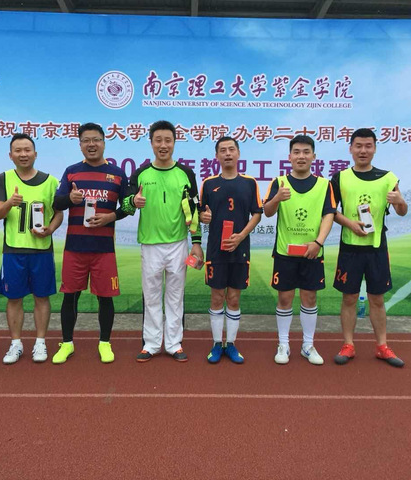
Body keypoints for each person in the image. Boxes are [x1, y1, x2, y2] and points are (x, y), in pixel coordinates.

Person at [125, 120, 203, 363]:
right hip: (150, 245)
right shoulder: (140, 174)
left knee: (175, 296)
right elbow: (125, 205)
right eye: (158, 140)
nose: (163, 145)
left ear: (174, 143)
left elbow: (194, 210)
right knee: (151, 296)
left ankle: (174, 344)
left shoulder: (186, 173)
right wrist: (133, 202)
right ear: (151, 143)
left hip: (178, 244)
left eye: (168, 140)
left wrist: (196, 242)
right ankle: (150, 344)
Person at [330, 128, 408, 367]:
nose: (363, 150)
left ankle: (382, 346)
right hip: (350, 247)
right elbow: (330, 211)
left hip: (377, 248)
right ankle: (348, 345)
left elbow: (402, 211)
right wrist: (350, 224)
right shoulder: (340, 178)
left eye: (368, 146)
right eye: (358, 146)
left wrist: (400, 202)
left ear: (374, 148)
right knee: (349, 298)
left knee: (377, 299)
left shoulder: (388, 178)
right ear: (350, 149)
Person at [52, 122, 129, 364]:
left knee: (105, 298)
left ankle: (105, 343)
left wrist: (110, 217)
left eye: (96, 140)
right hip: (75, 247)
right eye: (86, 140)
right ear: (80, 145)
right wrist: (70, 198)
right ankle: (67, 344)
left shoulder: (117, 174)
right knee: (70, 297)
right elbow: (57, 203)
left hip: (104, 249)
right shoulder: (71, 171)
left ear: (104, 143)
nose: (91, 144)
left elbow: (128, 206)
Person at [263, 135, 335, 365]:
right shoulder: (279, 182)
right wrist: (277, 198)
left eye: (306, 152)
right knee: (284, 298)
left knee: (309, 298)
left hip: (312, 251)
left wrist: (318, 242)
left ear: (314, 156)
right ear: (289, 156)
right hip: (285, 253)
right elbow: (267, 212)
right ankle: (283, 344)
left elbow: (329, 215)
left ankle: (307, 345)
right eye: (296, 152)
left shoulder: (324, 185)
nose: (301, 156)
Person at [0, 133, 63, 364]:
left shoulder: (51, 181)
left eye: (27, 150)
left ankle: (40, 342)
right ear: (10, 155)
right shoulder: (3, 179)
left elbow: (59, 214)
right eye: (18, 150)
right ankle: (16, 343)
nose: (23, 154)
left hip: (42, 249)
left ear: (35, 153)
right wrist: (9, 203)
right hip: (13, 249)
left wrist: (50, 229)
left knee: (42, 297)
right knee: (14, 298)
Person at [199, 136, 262, 363]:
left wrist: (241, 236)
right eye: (223, 150)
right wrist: (203, 217)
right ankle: (217, 344)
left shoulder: (250, 183)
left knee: (234, 298)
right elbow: (200, 213)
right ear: (216, 156)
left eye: (231, 149)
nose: (227, 153)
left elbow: (257, 213)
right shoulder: (208, 183)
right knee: (217, 297)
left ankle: (231, 344)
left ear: (238, 153)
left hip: (240, 248)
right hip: (216, 250)